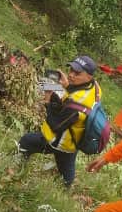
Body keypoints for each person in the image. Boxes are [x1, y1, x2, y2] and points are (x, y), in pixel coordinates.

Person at [17, 55, 101, 187]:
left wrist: (48, 101)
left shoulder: (77, 102)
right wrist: (68, 86)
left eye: (77, 73)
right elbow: (76, 103)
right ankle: (67, 186)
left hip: (59, 142)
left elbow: (55, 124)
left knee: (26, 142)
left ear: (89, 76)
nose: (72, 75)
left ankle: (16, 168)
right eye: (71, 70)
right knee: (66, 175)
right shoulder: (95, 87)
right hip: (74, 141)